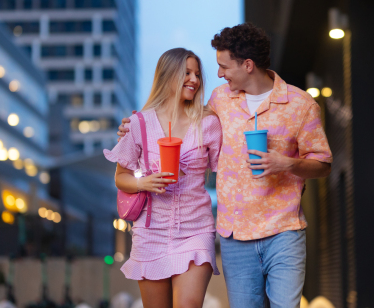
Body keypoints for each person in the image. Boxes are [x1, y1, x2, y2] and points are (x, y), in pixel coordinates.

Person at [118, 23, 332, 308]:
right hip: (235, 233)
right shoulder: (221, 100)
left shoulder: (300, 104)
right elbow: (184, 116)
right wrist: (133, 127)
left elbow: (324, 164)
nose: (216, 74)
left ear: (247, 65)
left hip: (283, 228)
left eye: (223, 66)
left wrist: (287, 163)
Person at [104, 48, 222, 308]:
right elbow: (121, 177)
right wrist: (142, 183)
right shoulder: (139, 123)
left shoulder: (208, 123)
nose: (194, 80)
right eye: (187, 73)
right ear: (168, 75)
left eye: (198, 74)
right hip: (151, 232)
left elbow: (225, 171)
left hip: (196, 228)